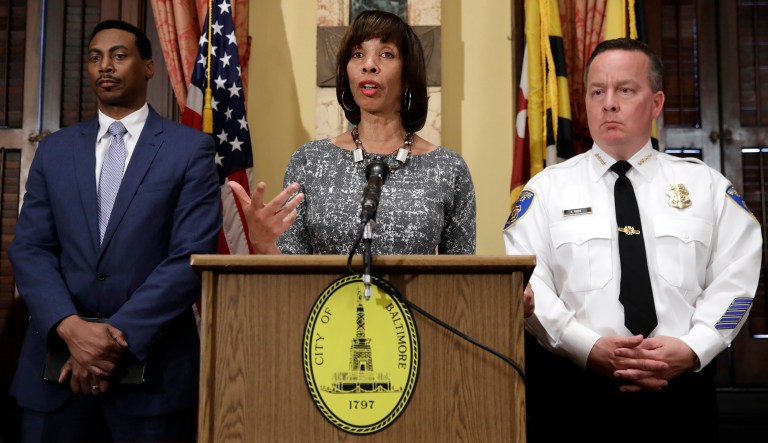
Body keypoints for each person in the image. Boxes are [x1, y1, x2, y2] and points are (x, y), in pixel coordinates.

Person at [504, 38, 762, 442]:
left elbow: (737, 280)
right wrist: (587, 347)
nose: (609, 103)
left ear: (656, 103)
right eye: (597, 92)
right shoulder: (546, 191)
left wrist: (694, 347)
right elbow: (528, 286)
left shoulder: (706, 187)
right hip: (574, 395)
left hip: (681, 394)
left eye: (625, 90)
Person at [8, 20, 221, 442]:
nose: (105, 66)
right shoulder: (54, 150)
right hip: (55, 373)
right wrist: (71, 328)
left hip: (153, 377)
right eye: (95, 57)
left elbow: (189, 257)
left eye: (119, 55)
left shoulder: (189, 149)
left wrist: (110, 340)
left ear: (148, 67)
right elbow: (30, 249)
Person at [231, 10, 476, 255]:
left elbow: (462, 275)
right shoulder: (309, 161)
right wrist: (263, 243)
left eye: (386, 54)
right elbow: (291, 271)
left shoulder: (448, 168)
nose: (369, 65)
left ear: (408, 75)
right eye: (358, 54)